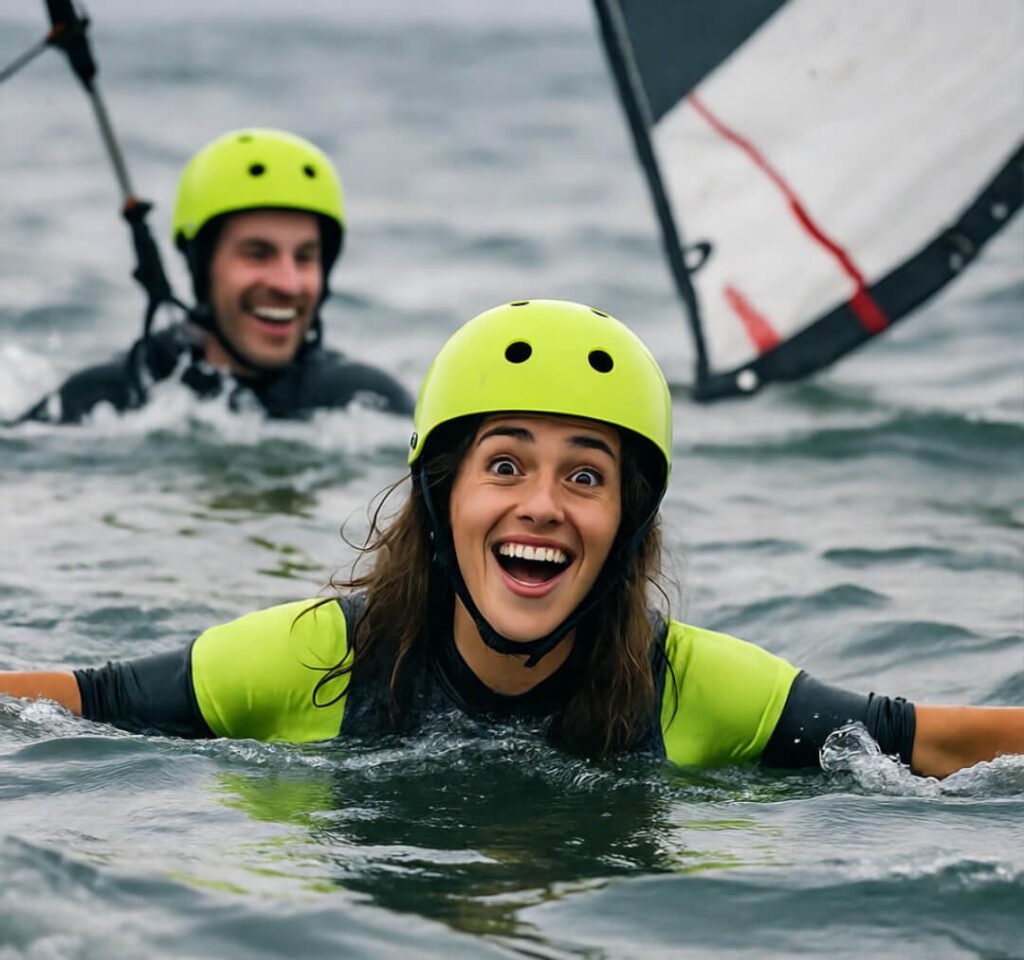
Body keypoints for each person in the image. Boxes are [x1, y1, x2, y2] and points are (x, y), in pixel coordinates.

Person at [2, 300, 1021, 777]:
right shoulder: (316, 655)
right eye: (504, 464)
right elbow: (84, 703)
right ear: (442, 497)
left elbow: (925, 738)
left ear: (627, 524)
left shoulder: (692, 688)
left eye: (586, 474)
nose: (541, 503)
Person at [13, 128, 414, 424]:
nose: (288, 283)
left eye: (306, 257)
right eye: (257, 254)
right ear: (200, 266)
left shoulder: (370, 403)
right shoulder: (102, 401)